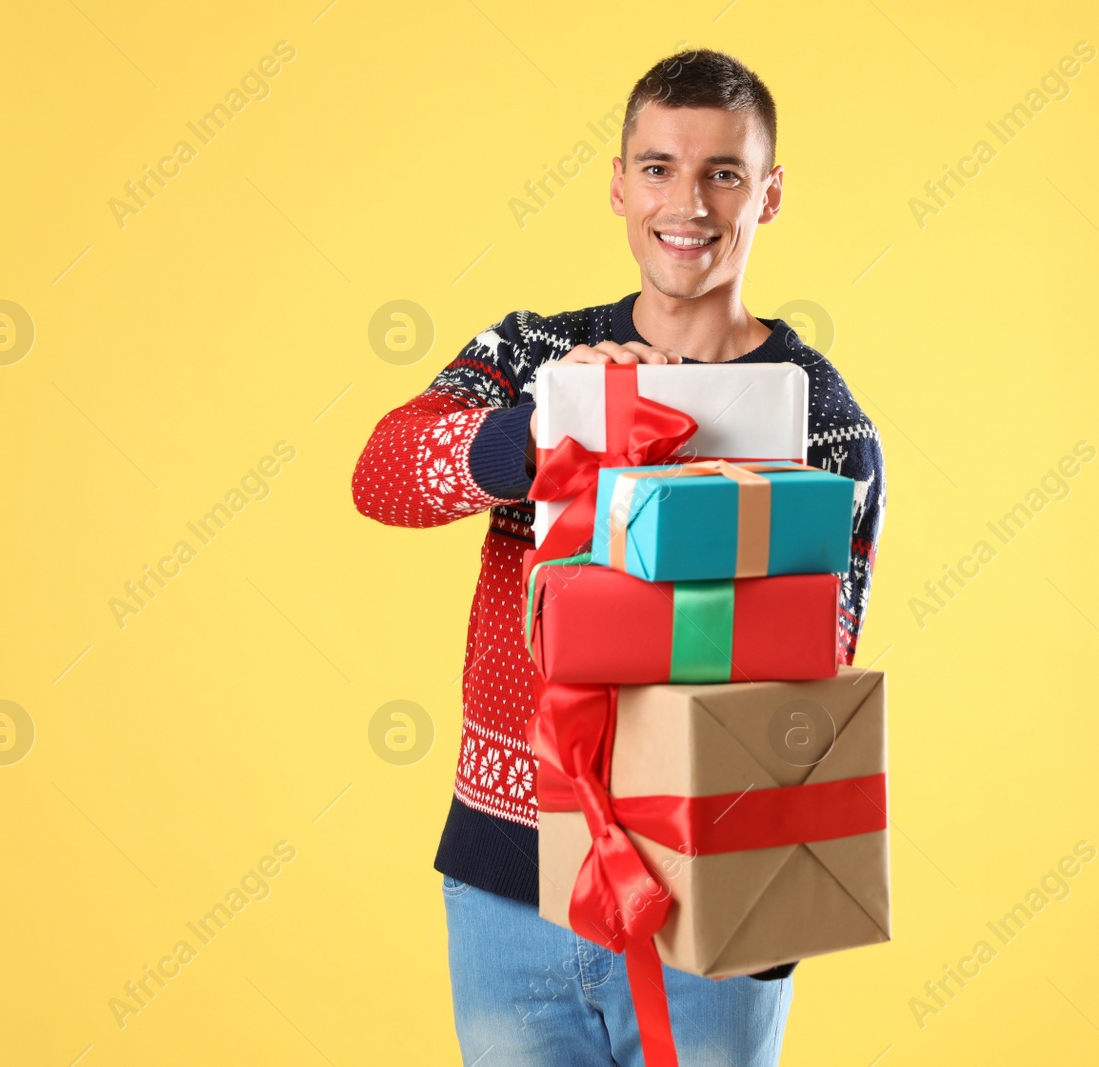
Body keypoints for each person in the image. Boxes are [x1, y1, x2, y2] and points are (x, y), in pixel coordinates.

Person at [352, 47, 887, 1067]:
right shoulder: (530, 355)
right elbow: (382, 475)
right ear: (617, 182)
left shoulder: (825, 424)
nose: (686, 202)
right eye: (657, 167)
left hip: (709, 903)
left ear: (767, 196)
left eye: (723, 172)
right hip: (510, 882)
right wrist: (545, 428)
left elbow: (813, 680)